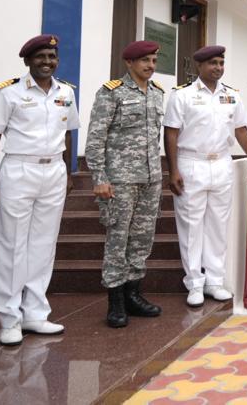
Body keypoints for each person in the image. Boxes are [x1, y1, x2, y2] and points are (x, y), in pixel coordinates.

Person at [0, 35, 79, 346]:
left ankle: (36, 313)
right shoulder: (8, 93)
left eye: (51, 56)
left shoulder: (66, 92)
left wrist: (68, 170)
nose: (46, 61)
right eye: (40, 57)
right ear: (27, 61)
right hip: (18, 170)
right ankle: (10, 318)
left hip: (53, 172)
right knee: (12, 245)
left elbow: (67, 133)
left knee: (43, 244)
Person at [164, 45, 247, 307]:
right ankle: (194, 283)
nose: (218, 68)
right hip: (191, 164)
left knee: (218, 226)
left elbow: (241, 130)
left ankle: (215, 281)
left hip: (221, 164)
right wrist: (172, 169)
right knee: (191, 226)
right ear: (199, 67)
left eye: (221, 63)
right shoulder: (182, 96)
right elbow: (171, 133)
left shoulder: (231, 96)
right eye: (212, 63)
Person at [86, 40, 166, 328]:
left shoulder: (157, 94)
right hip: (119, 180)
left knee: (142, 240)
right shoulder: (111, 93)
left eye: (154, 60)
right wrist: (100, 178)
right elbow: (96, 139)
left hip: (150, 179)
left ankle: (134, 295)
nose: (150, 66)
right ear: (129, 63)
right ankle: (115, 301)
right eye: (145, 60)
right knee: (117, 241)